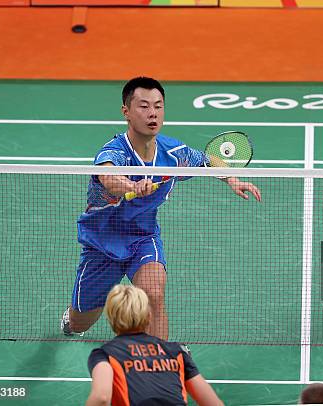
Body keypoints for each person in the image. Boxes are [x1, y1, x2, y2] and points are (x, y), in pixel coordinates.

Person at [62, 76, 262, 339]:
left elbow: (207, 161)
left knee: (154, 294)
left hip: (143, 237)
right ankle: (72, 319)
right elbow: (108, 178)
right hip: (103, 242)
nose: (152, 113)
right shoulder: (115, 151)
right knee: (80, 324)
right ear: (126, 111)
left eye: (158, 106)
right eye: (144, 106)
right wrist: (131, 187)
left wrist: (233, 180)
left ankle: (159, 361)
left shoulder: (173, 153)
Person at [86, 284, 223, 406]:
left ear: (111, 317)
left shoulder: (105, 355)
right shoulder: (176, 352)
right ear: (148, 316)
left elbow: (102, 397)